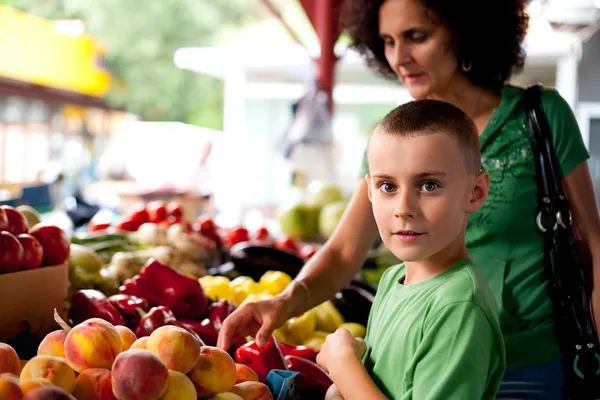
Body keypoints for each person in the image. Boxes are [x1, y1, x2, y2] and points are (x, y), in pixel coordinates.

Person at [218, 0, 600, 398]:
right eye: (387, 41)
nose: (400, 58)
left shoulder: (540, 116)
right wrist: (282, 303)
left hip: (531, 366)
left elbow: (594, 242)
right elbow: (345, 250)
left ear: (464, 30)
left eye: (417, 36)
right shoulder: (396, 139)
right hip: (423, 354)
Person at [316, 99, 505, 399]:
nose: (403, 209)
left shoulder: (458, 307)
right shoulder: (393, 280)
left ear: (475, 192)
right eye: (387, 187)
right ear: (369, 191)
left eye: (428, 185)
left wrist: (344, 364)